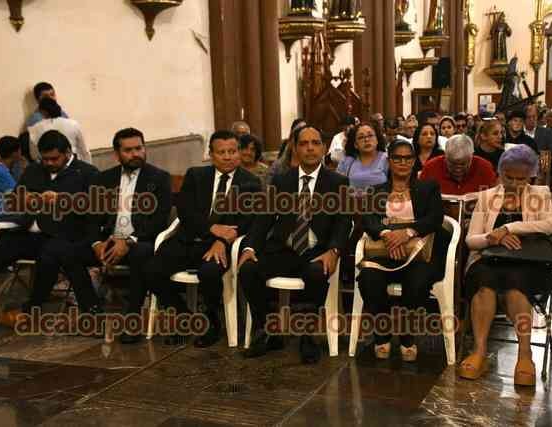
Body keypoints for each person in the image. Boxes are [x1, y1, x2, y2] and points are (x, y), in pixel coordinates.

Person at [238, 125, 351, 363]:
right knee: (248, 269)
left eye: (315, 143)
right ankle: (267, 329)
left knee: (316, 273)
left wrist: (334, 250)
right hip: (284, 249)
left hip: (317, 251)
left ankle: (307, 336)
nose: (310, 148)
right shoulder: (282, 180)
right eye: (303, 143)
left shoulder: (337, 182)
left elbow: (343, 222)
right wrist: (249, 248)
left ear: (323, 148)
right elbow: (264, 218)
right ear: (295, 148)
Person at [0, 131, 99, 324]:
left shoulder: (87, 173)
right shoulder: (34, 170)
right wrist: (22, 199)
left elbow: (95, 209)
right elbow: (13, 200)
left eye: (54, 159)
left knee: (49, 256)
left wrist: (63, 201)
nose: (49, 163)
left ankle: (31, 309)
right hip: (29, 233)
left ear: (68, 153)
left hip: (63, 236)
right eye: (45, 159)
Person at [459, 145, 552, 386]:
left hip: (529, 263)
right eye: (509, 177)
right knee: (484, 284)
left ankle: (525, 355)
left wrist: (508, 228)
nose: (515, 183)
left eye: (521, 178)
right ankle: (479, 351)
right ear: (500, 172)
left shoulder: (540, 194)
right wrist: (492, 238)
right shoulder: (487, 197)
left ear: (530, 176)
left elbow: (550, 224)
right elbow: (471, 240)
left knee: (517, 286)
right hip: (489, 260)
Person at [143, 130, 261, 346]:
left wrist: (222, 241)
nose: (228, 157)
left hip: (221, 246)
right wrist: (211, 228)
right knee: (150, 271)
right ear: (211, 155)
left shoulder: (250, 182)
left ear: (239, 152)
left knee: (209, 273)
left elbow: (246, 221)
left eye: (232, 151)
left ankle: (211, 321)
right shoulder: (196, 175)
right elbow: (185, 211)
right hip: (189, 239)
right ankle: (184, 315)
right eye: (222, 152)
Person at [57, 128, 172, 344]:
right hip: (108, 241)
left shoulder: (159, 178)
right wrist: (96, 243)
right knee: (68, 253)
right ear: (117, 154)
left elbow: (158, 221)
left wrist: (128, 241)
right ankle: (93, 314)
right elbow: (92, 218)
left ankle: (132, 320)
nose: (135, 154)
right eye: (128, 150)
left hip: (141, 241)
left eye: (139, 148)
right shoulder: (103, 179)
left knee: (141, 254)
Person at [357, 139, 447, 361]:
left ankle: (407, 335)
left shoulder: (428, 188)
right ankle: (382, 334)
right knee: (368, 278)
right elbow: (367, 219)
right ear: (389, 161)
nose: (403, 162)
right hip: (384, 253)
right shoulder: (376, 191)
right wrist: (387, 235)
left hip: (418, 255)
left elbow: (435, 218)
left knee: (418, 282)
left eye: (408, 158)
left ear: (414, 161)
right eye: (397, 158)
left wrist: (407, 233)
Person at [420, 135, 497, 195]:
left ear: (471, 156)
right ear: (445, 156)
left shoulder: (485, 168)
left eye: (463, 164)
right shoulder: (430, 168)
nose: (458, 169)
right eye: (452, 163)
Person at [28, 97, 91, 163]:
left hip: (48, 164)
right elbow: (85, 151)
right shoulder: (73, 124)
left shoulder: (35, 128)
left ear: (42, 112)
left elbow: (34, 155)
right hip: (72, 162)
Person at [336, 123, 388, 190]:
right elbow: (338, 185)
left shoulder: (386, 159)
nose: (366, 140)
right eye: (361, 137)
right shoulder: (347, 161)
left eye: (370, 135)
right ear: (355, 145)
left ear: (377, 140)